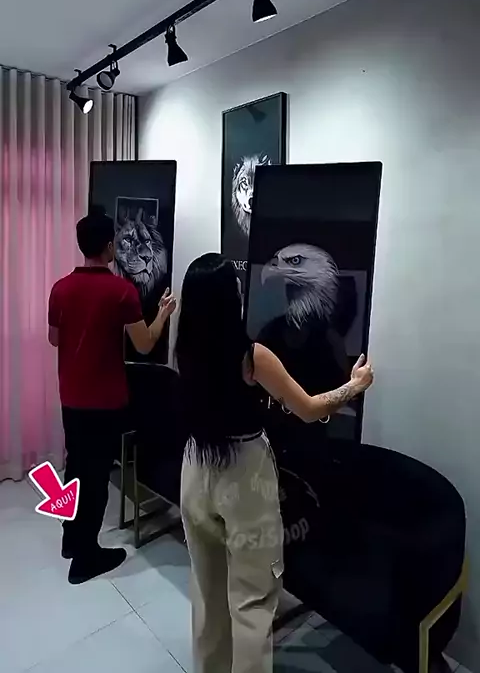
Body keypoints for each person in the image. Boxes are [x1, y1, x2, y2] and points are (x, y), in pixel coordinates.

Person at [176, 253, 374, 673]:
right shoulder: (252, 356)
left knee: (208, 594)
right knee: (252, 600)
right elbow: (308, 409)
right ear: (230, 298)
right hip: (243, 475)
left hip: (195, 467)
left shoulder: (185, 348)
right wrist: (353, 386)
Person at [48, 209, 176, 584]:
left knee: (76, 469)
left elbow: (54, 339)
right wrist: (163, 313)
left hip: (71, 397)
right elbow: (145, 343)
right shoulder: (122, 291)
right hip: (104, 402)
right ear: (109, 247)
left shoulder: (60, 288)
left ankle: (71, 539)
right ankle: (85, 558)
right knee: (97, 477)